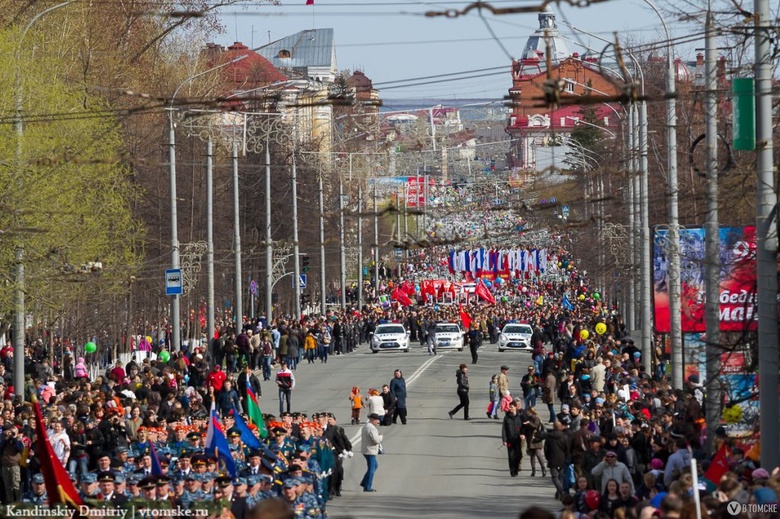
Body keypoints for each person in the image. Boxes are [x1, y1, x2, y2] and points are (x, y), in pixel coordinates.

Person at [359, 413, 383, 492]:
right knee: (371, 469)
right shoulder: (372, 428)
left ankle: (364, 482)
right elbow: (375, 440)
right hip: (370, 450)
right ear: (372, 419)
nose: (377, 421)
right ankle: (367, 487)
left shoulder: (365, 426)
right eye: (376, 420)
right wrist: (380, 437)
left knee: (375, 465)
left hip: (366, 449)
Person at [501, 400, 524, 477]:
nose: (510, 408)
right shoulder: (507, 417)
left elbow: (522, 427)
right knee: (511, 456)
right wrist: (504, 440)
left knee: (519, 455)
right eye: (509, 407)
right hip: (510, 440)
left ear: (515, 407)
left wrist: (523, 434)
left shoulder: (519, 416)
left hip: (517, 439)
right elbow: (504, 429)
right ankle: (512, 470)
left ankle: (516, 467)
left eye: (511, 407)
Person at [522, 406, 546, 477]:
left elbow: (536, 426)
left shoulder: (536, 418)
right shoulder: (527, 418)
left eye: (528, 411)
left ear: (531, 412)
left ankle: (543, 468)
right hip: (530, 438)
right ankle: (533, 471)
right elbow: (525, 428)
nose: (526, 413)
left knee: (538, 454)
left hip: (536, 438)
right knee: (532, 455)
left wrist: (529, 423)